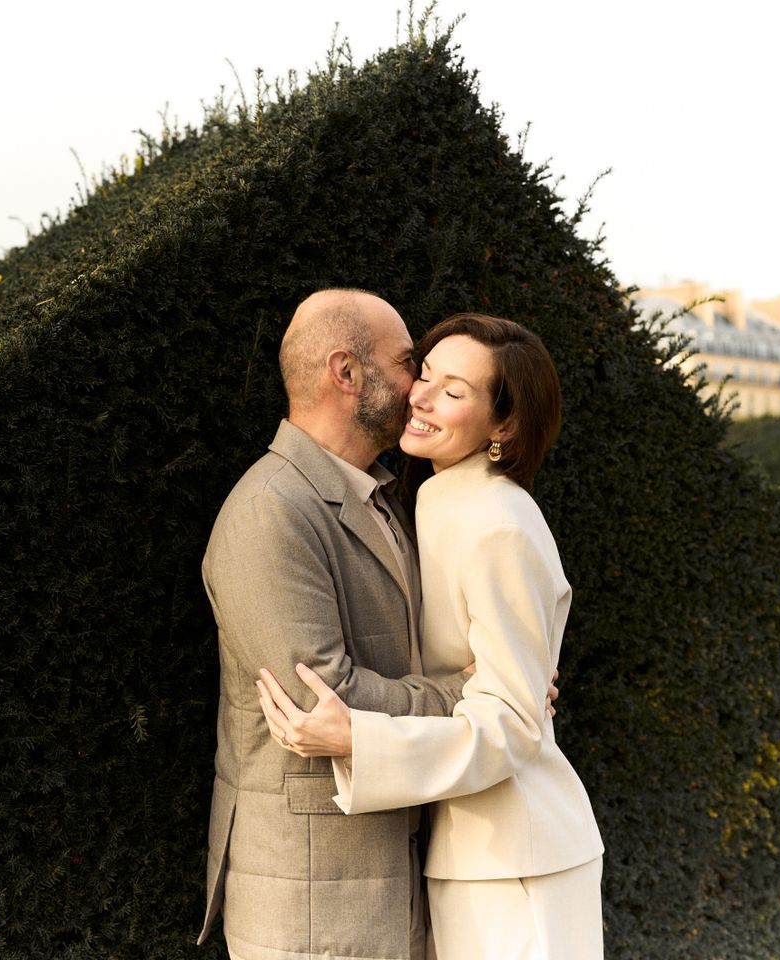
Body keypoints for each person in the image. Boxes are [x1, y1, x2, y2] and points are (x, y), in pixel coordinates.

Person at [256, 313, 605, 959]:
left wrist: (359, 739)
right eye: (425, 374)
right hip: (470, 849)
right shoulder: (433, 499)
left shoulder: (499, 524)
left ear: (503, 426)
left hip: (515, 859)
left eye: (454, 391)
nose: (421, 396)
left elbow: (511, 726)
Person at [198, 288, 472, 960]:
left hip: (389, 884)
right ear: (346, 372)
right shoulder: (270, 510)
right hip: (310, 906)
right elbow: (324, 699)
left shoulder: (382, 496)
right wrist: (473, 695)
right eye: (409, 364)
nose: (420, 389)